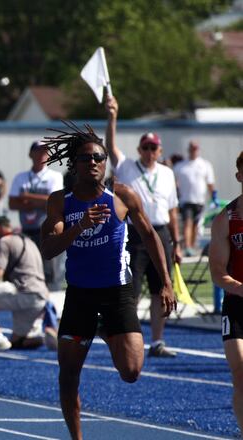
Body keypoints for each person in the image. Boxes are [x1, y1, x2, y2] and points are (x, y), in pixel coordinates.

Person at [39, 121, 175, 440]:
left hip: (116, 294)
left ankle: (107, 330)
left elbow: (151, 235)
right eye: (87, 158)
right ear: (75, 164)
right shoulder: (60, 201)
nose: (95, 163)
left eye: (99, 157)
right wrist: (79, 227)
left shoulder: (122, 195)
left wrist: (166, 282)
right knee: (68, 374)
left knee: (131, 372)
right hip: (80, 296)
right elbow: (48, 249)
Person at [106, 94, 181, 357]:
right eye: (146, 147)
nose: (150, 152)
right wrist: (112, 116)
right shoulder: (127, 166)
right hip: (135, 234)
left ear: (159, 151)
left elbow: (172, 209)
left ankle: (157, 341)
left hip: (160, 232)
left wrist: (177, 241)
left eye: (154, 148)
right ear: (140, 150)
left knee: (163, 288)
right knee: (132, 290)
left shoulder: (168, 173)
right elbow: (110, 145)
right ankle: (130, 337)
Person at [0, 214, 52, 351]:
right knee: (18, 342)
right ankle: (38, 334)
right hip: (42, 296)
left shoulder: (4, 242)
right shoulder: (29, 240)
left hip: (24, 291)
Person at [209, 151, 243, 433]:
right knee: (240, 372)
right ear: (239, 176)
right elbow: (218, 272)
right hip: (238, 305)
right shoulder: (226, 219)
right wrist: (240, 288)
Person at [8, 141, 64, 290]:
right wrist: (40, 202)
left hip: (46, 231)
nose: (41, 155)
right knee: (27, 269)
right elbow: (12, 203)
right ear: (30, 154)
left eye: (45, 152)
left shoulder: (54, 176)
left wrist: (26, 196)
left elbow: (53, 201)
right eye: (38, 151)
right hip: (27, 230)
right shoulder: (21, 177)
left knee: (49, 271)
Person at [174, 141, 217, 255]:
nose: (193, 151)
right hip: (186, 200)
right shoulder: (181, 166)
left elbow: (210, 183)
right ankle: (187, 246)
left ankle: (192, 246)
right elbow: (174, 183)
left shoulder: (205, 165)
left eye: (195, 148)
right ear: (189, 150)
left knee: (195, 224)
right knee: (187, 222)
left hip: (200, 200)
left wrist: (214, 196)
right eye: (192, 148)